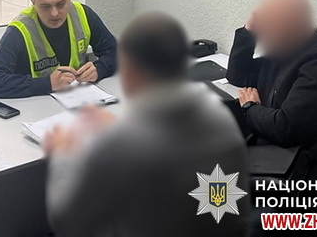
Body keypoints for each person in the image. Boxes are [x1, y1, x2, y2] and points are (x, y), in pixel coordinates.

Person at [43, 13, 251, 237]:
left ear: (129, 72)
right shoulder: (219, 118)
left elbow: (68, 222)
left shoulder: (120, 142)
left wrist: (62, 156)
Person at [227, 0, 317, 182]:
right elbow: (238, 76)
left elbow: (284, 129)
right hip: (273, 156)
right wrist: (248, 31)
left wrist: (250, 107)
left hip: (308, 178)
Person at [0, 0, 117, 98]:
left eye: (61, 4)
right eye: (45, 6)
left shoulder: (83, 14)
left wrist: (100, 69)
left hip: (78, 98)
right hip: (34, 106)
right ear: (33, 2)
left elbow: (117, 53)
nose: (54, 13)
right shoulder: (19, 30)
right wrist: (47, 84)